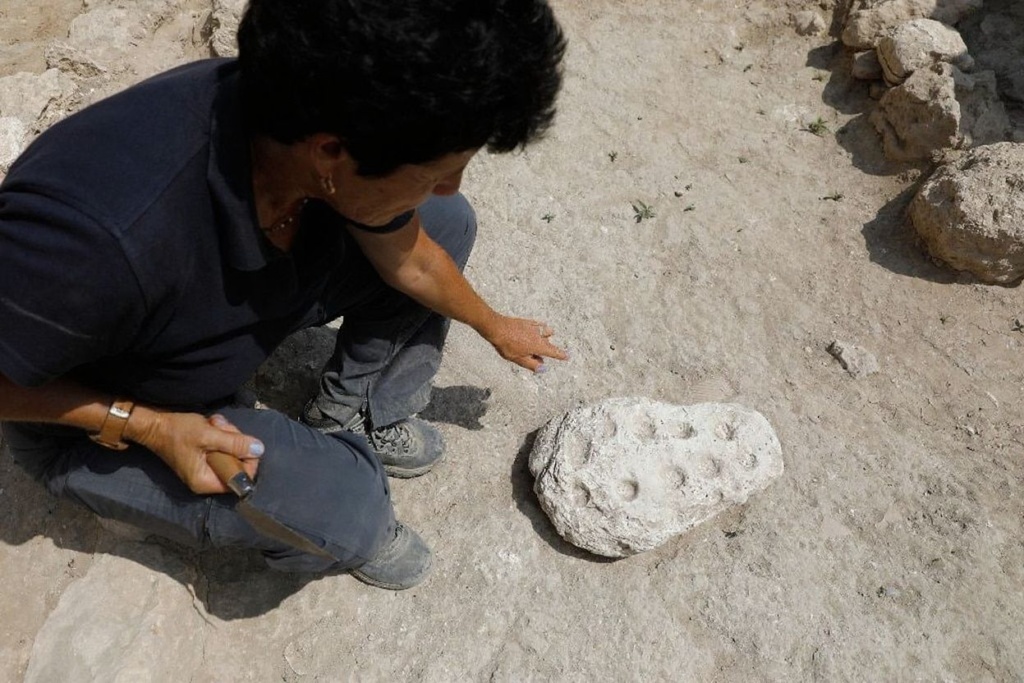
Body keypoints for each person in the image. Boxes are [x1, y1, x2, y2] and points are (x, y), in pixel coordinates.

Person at [0, 0, 567, 590]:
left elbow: (418, 260)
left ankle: (354, 411)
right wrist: (149, 427)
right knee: (348, 511)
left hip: (220, 316)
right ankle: (327, 513)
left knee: (446, 223)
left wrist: (494, 324)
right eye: (435, 171)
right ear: (329, 155)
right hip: (112, 415)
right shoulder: (93, 242)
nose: (448, 183)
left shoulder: (302, 122)